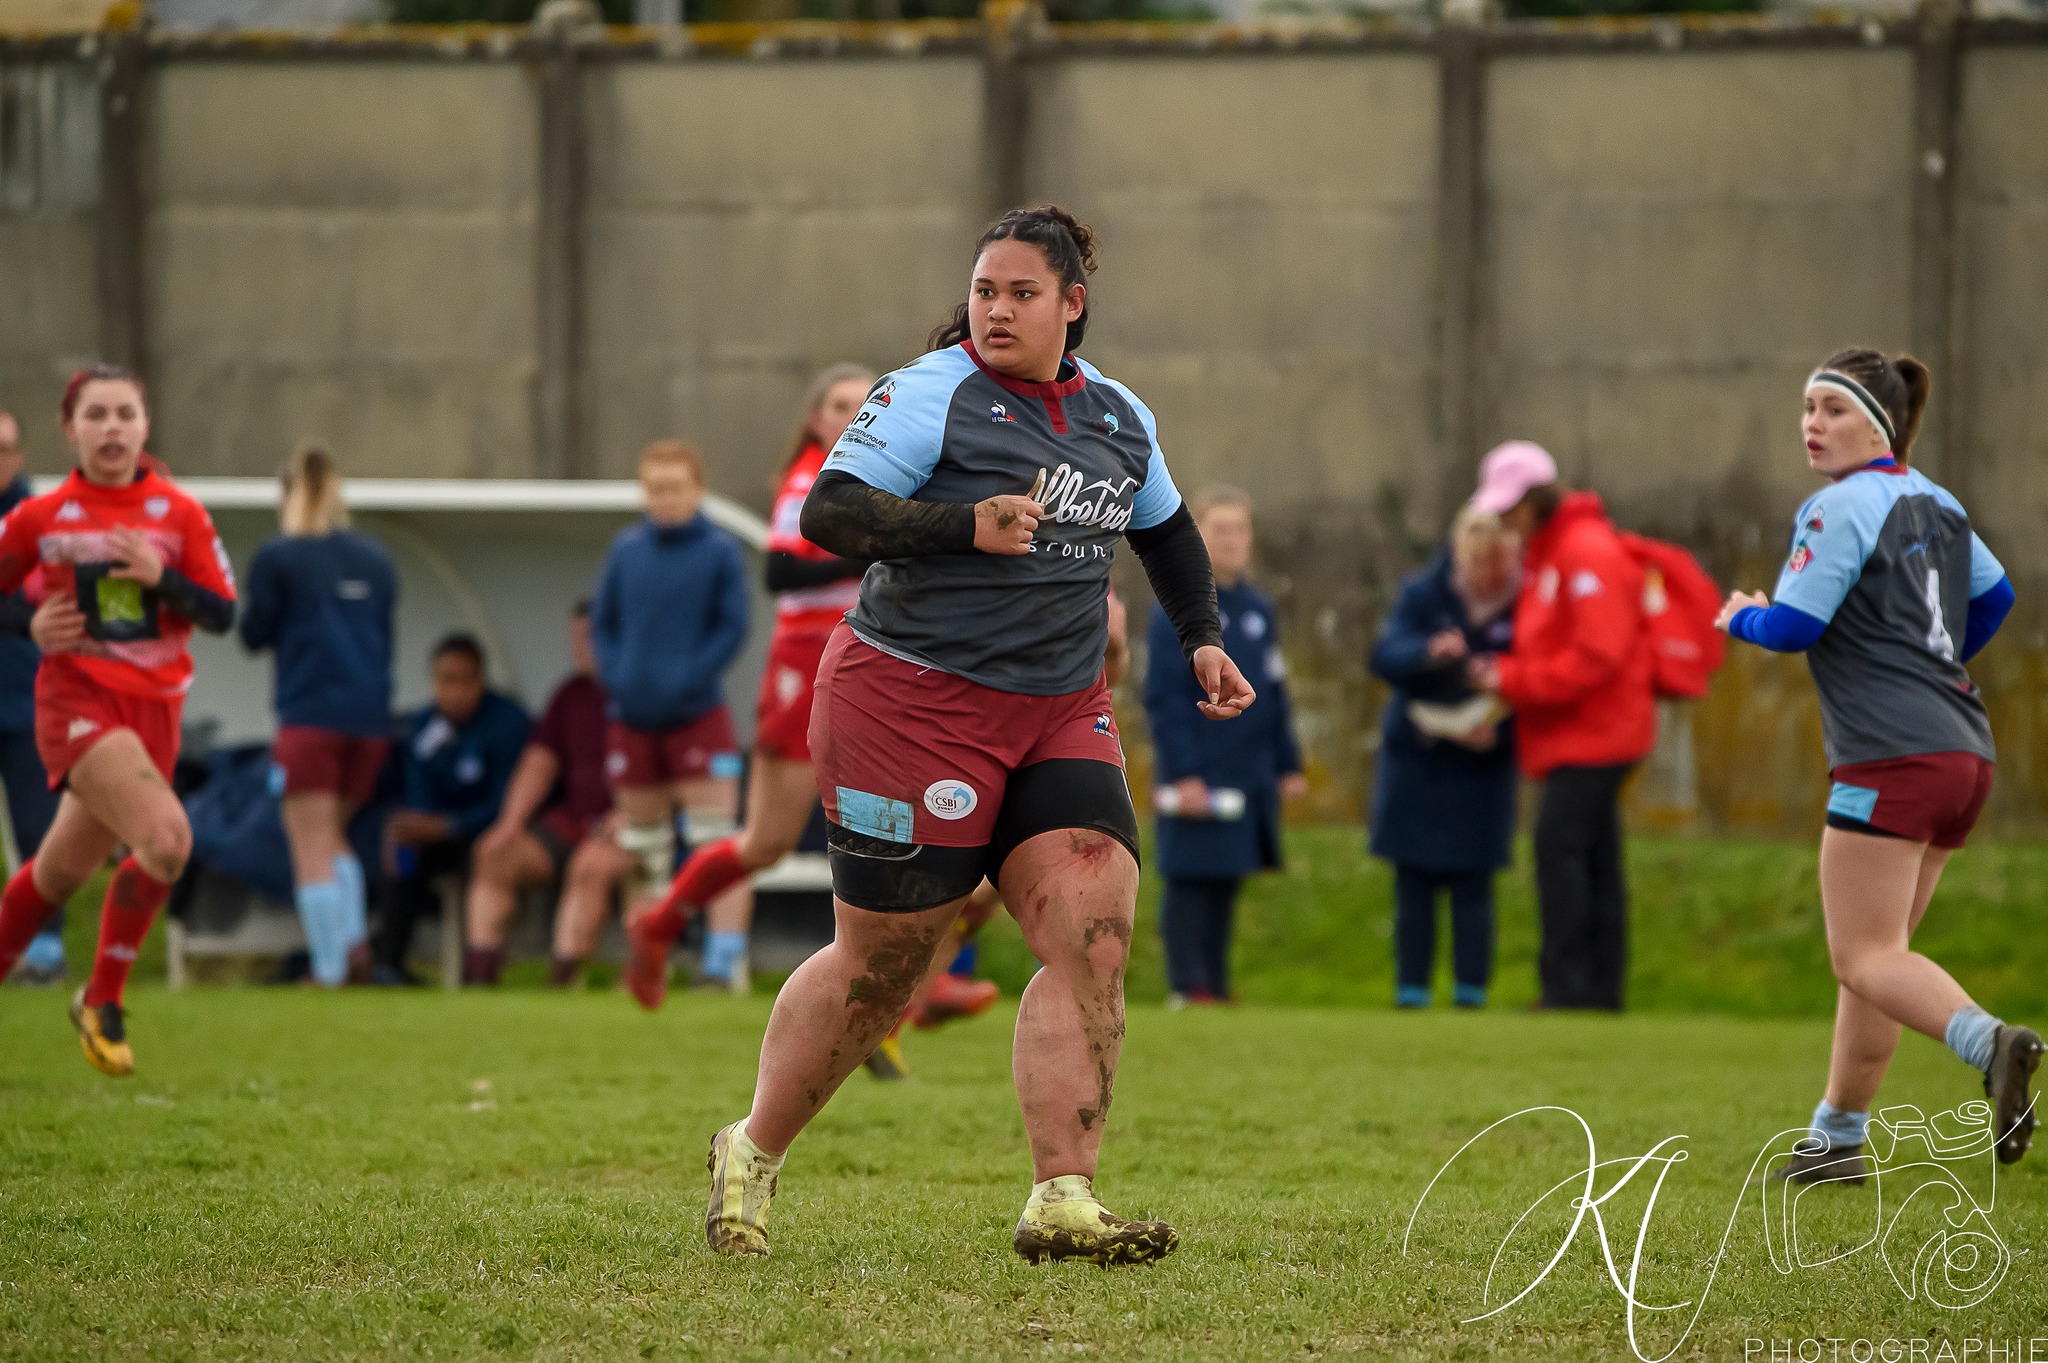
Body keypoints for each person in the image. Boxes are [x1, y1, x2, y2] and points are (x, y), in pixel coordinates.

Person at [702, 205, 1256, 1266]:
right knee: (885, 965)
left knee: (1092, 927)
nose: (994, 309)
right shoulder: (928, 394)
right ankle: (753, 1145)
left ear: (1070, 305)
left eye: (1020, 293)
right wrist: (964, 522)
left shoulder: (1117, 416)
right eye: (983, 291)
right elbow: (828, 514)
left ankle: (1061, 1194)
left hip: (1055, 708)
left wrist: (1200, 639)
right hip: (905, 705)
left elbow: (1167, 530)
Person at [1712, 350, 2040, 1181]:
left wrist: (1743, 617)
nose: (1811, 425)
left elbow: (1793, 628)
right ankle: (1837, 1139)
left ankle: (1991, 1043)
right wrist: (1933, 660)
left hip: (1891, 754)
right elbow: (1995, 597)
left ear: (1878, 423)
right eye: (1806, 408)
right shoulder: (1939, 498)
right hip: (1964, 748)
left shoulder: (1837, 508)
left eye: (1831, 408)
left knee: (1863, 956)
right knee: (1880, 954)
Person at [0, 365, 237, 1075]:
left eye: (125, 413)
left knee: (59, 872)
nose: (112, 427)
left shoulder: (179, 515)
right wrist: (29, 621)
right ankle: (102, 1000)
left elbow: (223, 613)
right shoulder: (41, 519)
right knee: (167, 839)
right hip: (77, 704)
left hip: (153, 713)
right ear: (69, 428)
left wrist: (160, 577)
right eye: (96, 414)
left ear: (145, 424)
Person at [626, 365, 875, 1008]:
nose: (852, 414)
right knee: (766, 842)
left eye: (865, 401)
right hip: (809, 668)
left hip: (868, 667)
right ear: (816, 420)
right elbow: (782, 569)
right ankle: (662, 923)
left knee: (902, 827)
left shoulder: (880, 474)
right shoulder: (813, 478)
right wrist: (884, 548)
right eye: (839, 404)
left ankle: (910, 989)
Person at [1465, 441, 1655, 1012]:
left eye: (1508, 507)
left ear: (1534, 500)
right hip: (1580, 734)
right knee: (1593, 856)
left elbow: (1597, 655)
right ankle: (1596, 991)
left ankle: (1570, 988)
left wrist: (1512, 679)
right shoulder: (1553, 552)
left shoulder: (1583, 551)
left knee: (1560, 849)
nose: (1501, 520)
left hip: (1598, 735)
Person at [592, 440, 750, 990]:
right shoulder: (626, 550)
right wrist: (618, 677)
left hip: (697, 718)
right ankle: (647, 961)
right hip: (632, 719)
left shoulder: (720, 552)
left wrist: (687, 678)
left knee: (716, 845)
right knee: (642, 851)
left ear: (698, 490)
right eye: (655, 488)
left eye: (675, 488)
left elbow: (732, 629)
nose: (665, 499)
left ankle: (721, 964)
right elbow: (603, 625)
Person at [238, 445, 396, 987]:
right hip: (371, 719)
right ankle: (353, 945)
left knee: (309, 843)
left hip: (310, 715)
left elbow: (253, 632)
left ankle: (330, 968)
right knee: (333, 836)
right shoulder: (375, 558)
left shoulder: (280, 557)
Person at [1142, 487, 1306, 1007]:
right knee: (1191, 878)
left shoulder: (1258, 609)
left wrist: (1288, 763)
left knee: (1228, 878)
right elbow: (1165, 699)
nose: (1232, 540)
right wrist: (1183, 773)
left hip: (1247, 769)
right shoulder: (1178, 608)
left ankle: (1215, 980)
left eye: (1240, 529)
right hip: (1199, 770)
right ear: (1199, 536)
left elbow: (1275, 693)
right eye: (1220, 529)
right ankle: (1187, 986)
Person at [1367, 504, 1520, 1010]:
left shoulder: (1528, 602)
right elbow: (1385, 656)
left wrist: (1496, 731)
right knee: (1414, 884)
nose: (1489, 576)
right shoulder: (1423, 594)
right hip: (1420, 760)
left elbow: (1536, 677)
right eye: (1479, 564)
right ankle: (1411, 993)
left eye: (1498, 565)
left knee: (1474, 886)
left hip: (1483, 764)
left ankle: (1471, 994)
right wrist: (1429, 652)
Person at [463, 602, 629, 987]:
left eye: (588, 638)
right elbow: (539, 764)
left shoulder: (643, 694)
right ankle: (479, 978)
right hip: (571, 821)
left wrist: (628, 818)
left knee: (589, 867)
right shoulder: (569, 694)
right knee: (493, 854)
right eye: (575, 639)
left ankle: (562, 980)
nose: (579, 648)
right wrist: (510, 824)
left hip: (625, 827)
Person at [370, 633, 529, 985]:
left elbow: (507, 806)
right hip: (440, 839)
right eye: (446, 680)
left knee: (487, 857)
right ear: (433, 682)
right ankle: (387, 966)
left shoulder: (508, 723)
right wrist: (408, 829)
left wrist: (448, 826)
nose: (456, 691)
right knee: (401, 854)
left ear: (480, 680)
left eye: (465, 680)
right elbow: (419, 799)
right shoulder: (424, 726)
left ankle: (478, 974)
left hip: (488, 835)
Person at [0, 410, 64, 985]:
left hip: (25, 701)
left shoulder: (40, 521)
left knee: (37, 828)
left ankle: (45, 947)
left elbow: (48, 604)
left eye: (5, 449)